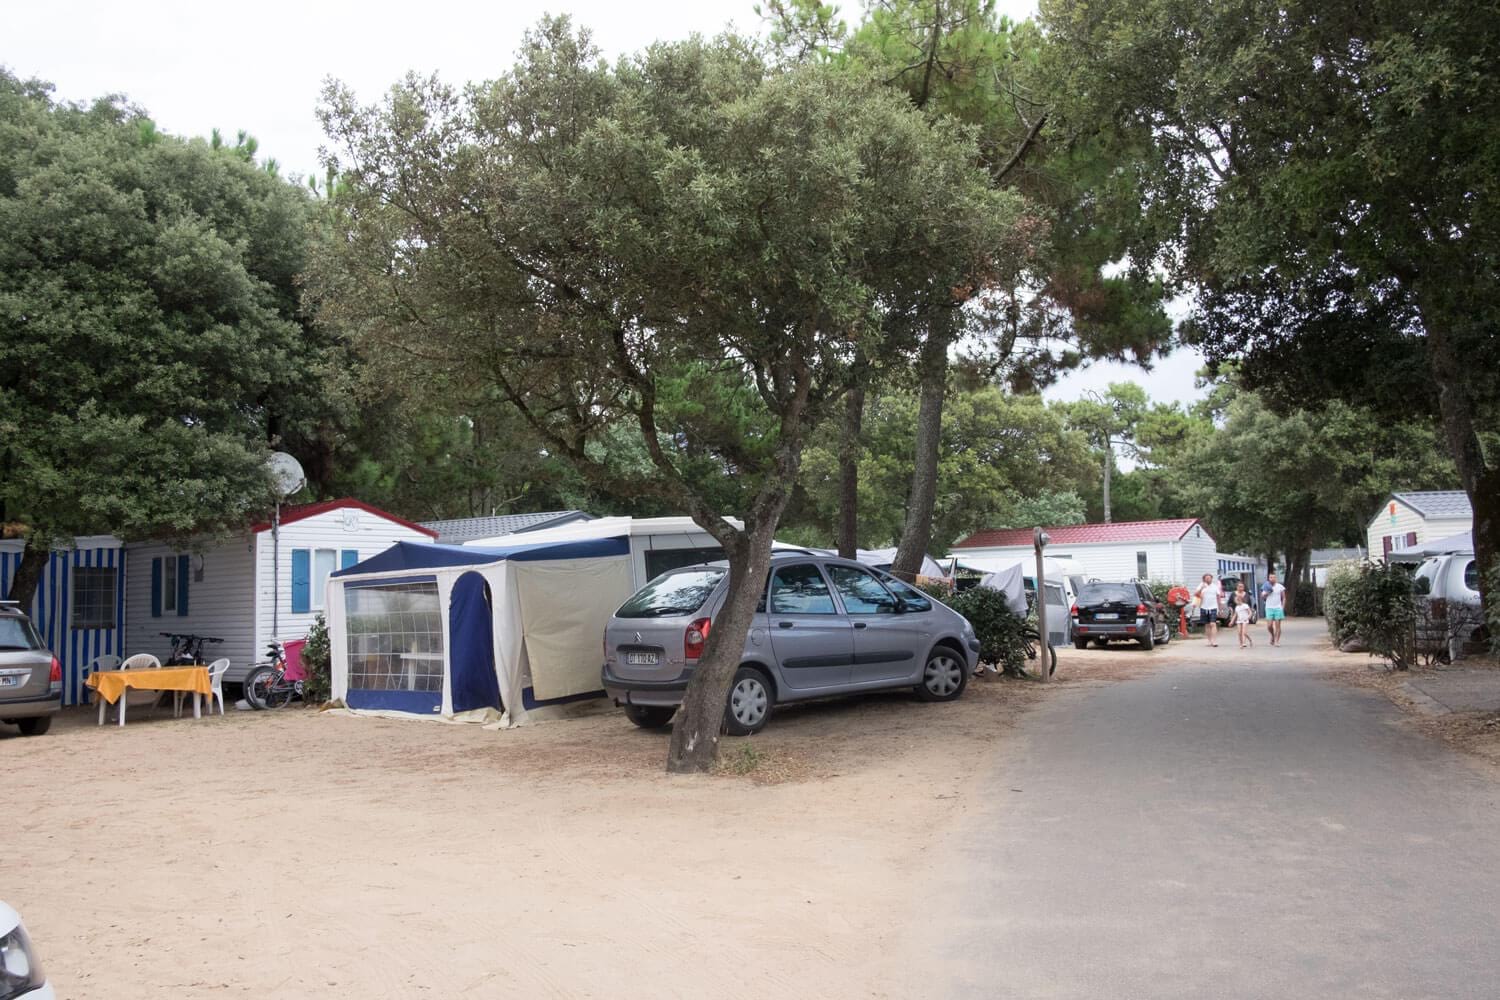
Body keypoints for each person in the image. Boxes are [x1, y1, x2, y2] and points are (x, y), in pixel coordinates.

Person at [1193, 572, 1224, 647]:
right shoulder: (1201, 585)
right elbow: (1196, 594)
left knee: (1213, 624)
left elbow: (1218, 597)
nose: (1208, 579)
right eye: (1206, 578)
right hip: (1203, 607)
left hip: (1213, 607)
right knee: (1207, 625)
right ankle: (1209, 640)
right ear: (1204, 579)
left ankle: (1214, 641)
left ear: (1212, 578)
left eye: (1209, 578)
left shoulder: (1215, 586)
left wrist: (1220, 609)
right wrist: (1201, 588)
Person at [1262, 571, 1287, 646]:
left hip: (1278, 608)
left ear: (1276, 578)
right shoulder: (1266, 586)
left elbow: (1284, 598)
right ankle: (1272, 636)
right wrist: (1267, 593)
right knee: (1269, 626)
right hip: (1269, 607)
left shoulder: (1280, 586)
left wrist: (1282, 607)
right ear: (1268, 578)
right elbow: (1262, 596)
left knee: (1277, 625)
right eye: (1270, 577)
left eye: (1273, 577)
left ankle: (1276, 641)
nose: (1272, 578)